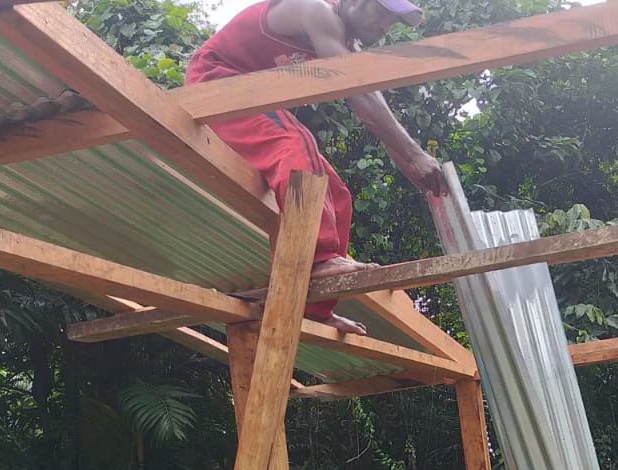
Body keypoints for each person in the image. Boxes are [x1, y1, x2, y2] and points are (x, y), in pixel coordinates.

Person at [186, 0, 450, 335]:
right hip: (216, 81)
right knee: (295, 145)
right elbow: (358, 92)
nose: (385, 27)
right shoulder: (317, 11)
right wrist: (414, 155)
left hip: (252, 96)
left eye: (392, 21)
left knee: (335, 193)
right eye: (382, 13)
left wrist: (409, 162)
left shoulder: (344, 45)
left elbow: (370, 110)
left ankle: (316, 306)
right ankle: (320, 259)